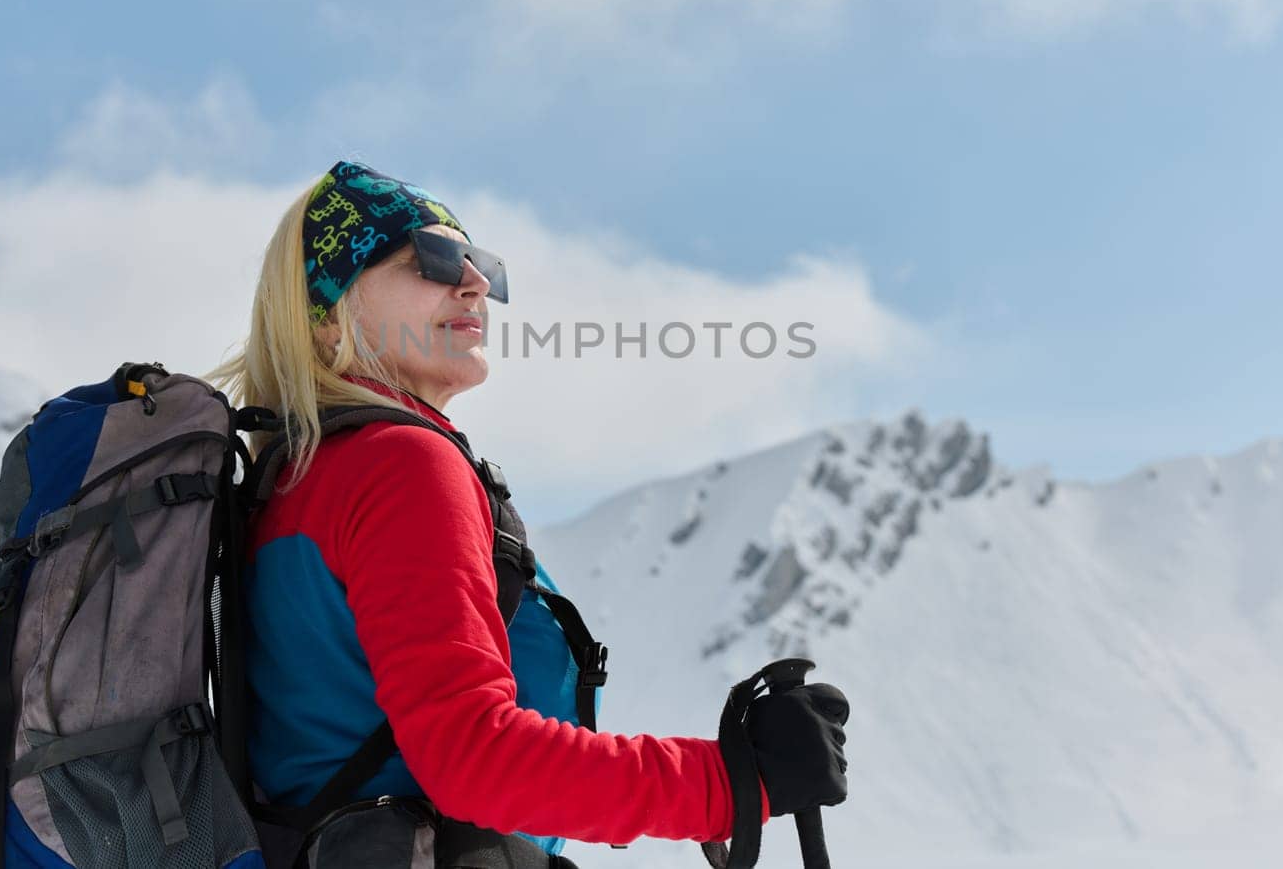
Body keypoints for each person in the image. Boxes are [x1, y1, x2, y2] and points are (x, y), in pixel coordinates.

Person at [205, 160, 848, 865]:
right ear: (328, 317)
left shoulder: (292, 480)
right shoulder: (400, 465)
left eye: (481, 263)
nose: (475, 282)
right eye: (433, 257)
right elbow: (473, 758)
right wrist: (733, 780)